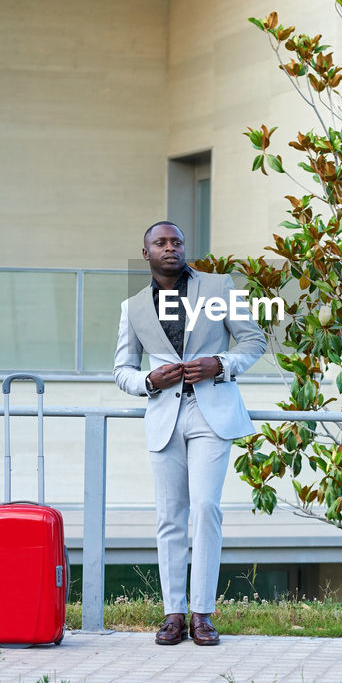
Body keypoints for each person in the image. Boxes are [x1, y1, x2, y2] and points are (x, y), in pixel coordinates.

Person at [113, 221, 267, 646]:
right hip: (165, 414)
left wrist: (220, 363)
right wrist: (149, 380)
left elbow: (253, 342)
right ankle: (173, 614)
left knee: (204, 508)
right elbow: (121, 370)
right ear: (145, 253)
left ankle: (202, 613)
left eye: (177, 241)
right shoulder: (133, 308)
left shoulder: (218, 288)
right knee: (169, 517)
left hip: (210, 411)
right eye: (160, 243)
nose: (170, 248)